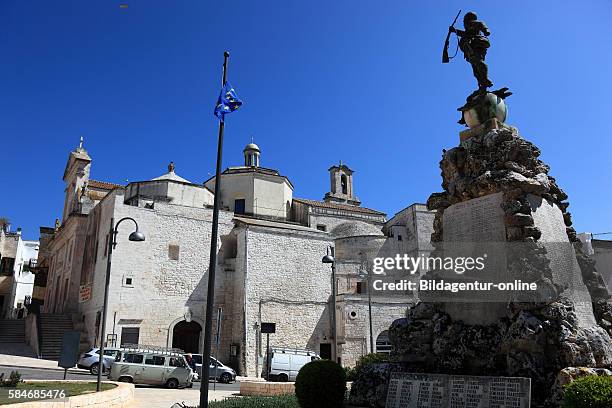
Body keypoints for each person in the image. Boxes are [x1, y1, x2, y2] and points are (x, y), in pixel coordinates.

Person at [450, 11, 493, 91]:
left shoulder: (474, 23)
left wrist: (486, 30)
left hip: (476, 45)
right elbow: (465, 34)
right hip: (469, 49)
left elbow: (481, 24)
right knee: (475, 69)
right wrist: (454, 30)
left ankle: (486, 79)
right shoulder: (468, 29)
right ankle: (482, 85)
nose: (464, 23)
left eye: (465, 20)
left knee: (479, 62)